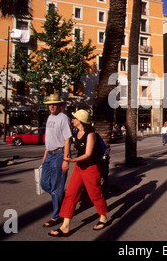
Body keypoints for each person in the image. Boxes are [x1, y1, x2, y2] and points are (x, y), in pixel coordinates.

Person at [49, 109, 108, 237]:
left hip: (91, 169)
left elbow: (88, 154)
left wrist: (72, 160)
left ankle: (103, 217)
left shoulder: (90, 135)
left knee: (95, 195)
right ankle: (65, 226)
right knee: (70, 194)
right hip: (79, 168)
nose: (72, 120)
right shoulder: (77, 132)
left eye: (74, 118)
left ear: (80, 120)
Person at [41, 93, 73, 228]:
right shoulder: (49, 117)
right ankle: (60, 197)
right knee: (44, 184)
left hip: (59, 154)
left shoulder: (63, 118)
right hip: (49, 155)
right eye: (50, 105)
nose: (51, 106)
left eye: (54, 104)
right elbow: (49, 138)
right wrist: (45, 154)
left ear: (60, 106)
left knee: (55, 187)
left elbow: (67, 139)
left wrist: (66, 159)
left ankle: (56, 216)